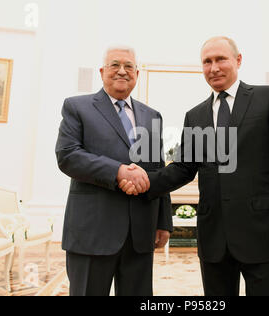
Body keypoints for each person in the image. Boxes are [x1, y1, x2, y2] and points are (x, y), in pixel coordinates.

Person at [120, 36, 269, 296]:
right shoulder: (195, 115)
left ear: (238, 60)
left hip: (262, 232)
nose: (214, 67)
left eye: (221, 59)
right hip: (214, 237)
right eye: (207, 62)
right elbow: (183, 168)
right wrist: (144, 182)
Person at [55, 46, 172, 296]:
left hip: (140, 233)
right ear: (102, 71)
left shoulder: (152, 116)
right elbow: (68, 156)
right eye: (114, 65)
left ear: (137, 73)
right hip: (92, 232)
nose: (122, 71)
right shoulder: (77, 107)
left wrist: (163, 221)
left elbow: (157, 169)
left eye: (129, 66)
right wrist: (119, 172)